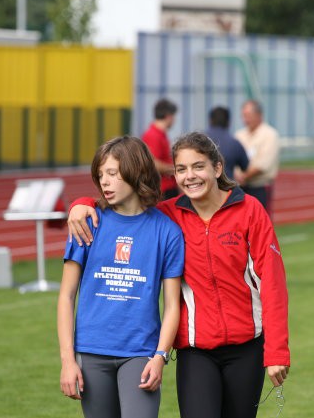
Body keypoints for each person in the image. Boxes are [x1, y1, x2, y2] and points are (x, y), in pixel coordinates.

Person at [67, 132, 290, 418]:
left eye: (198, 166)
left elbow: (272, 284)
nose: (190, 176)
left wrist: (277, 353)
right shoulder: (168, 216)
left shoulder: (250, 212)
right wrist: (81, 203)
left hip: (246, 347)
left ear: (217, 168)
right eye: (181, 169)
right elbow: (127, 209)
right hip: (195, 350)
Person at [57, 136, 184, 418]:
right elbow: (66, 297)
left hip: (140, 354)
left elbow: (173, 305)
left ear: (136, 172)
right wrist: (68, 360)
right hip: (91, 353)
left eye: (113, 174)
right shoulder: (86, 222)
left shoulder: (168, 232)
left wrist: (160, 356)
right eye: (100, 175)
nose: (105, 182)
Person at [235, 99, 280, 216]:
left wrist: (244, 176)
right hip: (241, 188)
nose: (245, 119)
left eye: (248, 115)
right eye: (243, 116)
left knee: (261, 222)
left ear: (259, 115)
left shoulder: (269, 135)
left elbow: (263, 164)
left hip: (260, 187)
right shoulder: (239, 135)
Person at [142, 98, 179, 199]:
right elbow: (153, 163)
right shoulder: (153, 135)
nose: (174, 120)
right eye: (174, 116)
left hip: (167, 187)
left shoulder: (160, 134)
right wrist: (176, 170)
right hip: (163, 189)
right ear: (168, 116)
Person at [205, 105, 249, 180]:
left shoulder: (198, 141)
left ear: (210, 120)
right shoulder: (234, 143)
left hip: (201, 186)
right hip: (226, 188)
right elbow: (245, 167)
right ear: (228, 122)